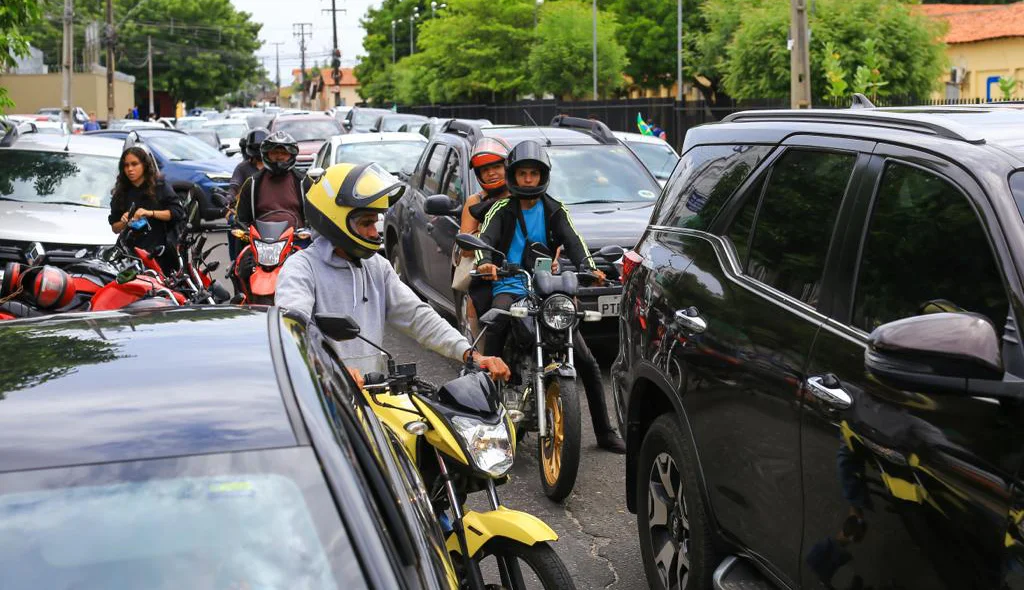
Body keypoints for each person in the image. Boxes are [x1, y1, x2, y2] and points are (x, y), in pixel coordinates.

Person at [275, 162, 511, 386]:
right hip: (323, 395)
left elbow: (417, 316)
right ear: (335, 221)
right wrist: (330, 370)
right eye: (366, 223)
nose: (374, 232)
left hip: (372, 393)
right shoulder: (301, 269)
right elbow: (292, 330)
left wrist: (470, 354)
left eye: (375, 222)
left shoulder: (377, 266)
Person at [474, 140, 625, 453]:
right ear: (513, 177)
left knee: (587, 361)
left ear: (543, 176)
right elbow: (484, 240)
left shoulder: (555, 209)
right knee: (496, 326)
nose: (528, 179)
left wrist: (589, 267)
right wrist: (485, 263)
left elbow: (575, 241)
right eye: (523, 174)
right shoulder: (501, 209)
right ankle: (484, 418)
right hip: (510, 285)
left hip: (547, 288)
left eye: (534, 173)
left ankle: (605, 433)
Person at [232, 130, 311, 293]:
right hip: (261, 245)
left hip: (296, 243)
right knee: (239, 267)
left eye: (284, 152)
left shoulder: (304, 181)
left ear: (291, 155)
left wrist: (310, 231)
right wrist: (243, 230)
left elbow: (316, 216)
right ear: (266, 154)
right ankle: (241, 302)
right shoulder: (252, 183)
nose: (279, 156)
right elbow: (241, 217)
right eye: (275, 152)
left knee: (314, 273)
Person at [458, 137, 512, 337]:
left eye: (496, 166)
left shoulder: (525, 196)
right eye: (484, 170)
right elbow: (466, 247)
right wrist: (492, 234)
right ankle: (480, 359)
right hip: (489, 272)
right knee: (476, 304)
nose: (490, 173)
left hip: (525, 269)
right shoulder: (476, 201)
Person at [108, 146, 185, 275]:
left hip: (159, 253)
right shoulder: (121, 192)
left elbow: (177, 212)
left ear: (144, 164)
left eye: (134, 164)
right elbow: (115, 228)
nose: (130, 169)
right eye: (126, 166)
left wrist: (149, 213)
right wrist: (124, 222)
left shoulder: (159, 186)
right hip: (131, 256)